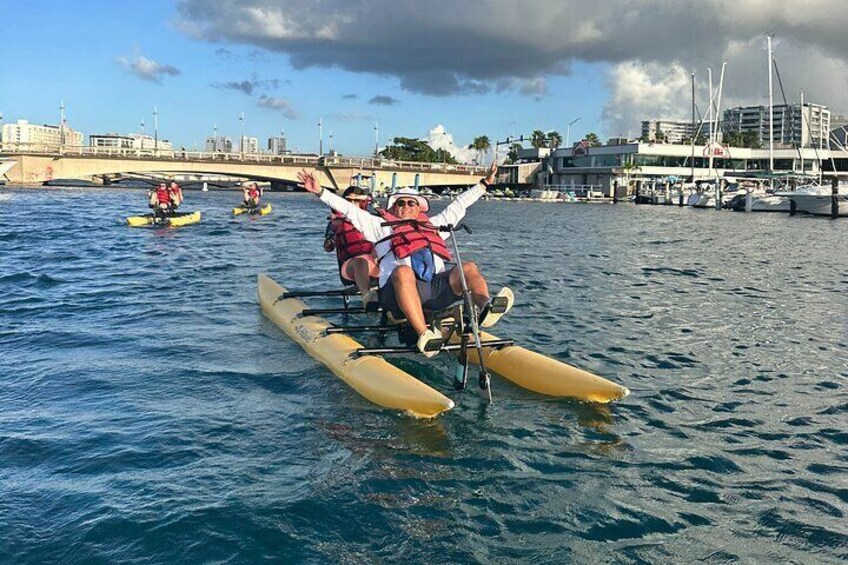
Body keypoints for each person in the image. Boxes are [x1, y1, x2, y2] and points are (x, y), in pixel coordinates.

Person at [298, 161, 513, 358]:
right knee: (403, 272)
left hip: (433, 291)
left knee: (468, 267)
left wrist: (484, 184)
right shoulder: (378, 226)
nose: (407, 206)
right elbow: (349, 210)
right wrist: (320, 191)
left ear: (419, 209)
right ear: (392, 207)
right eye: (402, 202)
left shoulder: (434, 224)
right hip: (396, 295)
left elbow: (459, 205)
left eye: (412, 203)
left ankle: (485, 308)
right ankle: (425, 335)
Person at [323, 186, 380, 308]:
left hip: (375, 264)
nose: (353, 204)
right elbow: (328, 247)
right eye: (349, 201)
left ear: (363, 203)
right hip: (350, 268)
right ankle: (367, 296)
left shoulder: (372, 220)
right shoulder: (336, 223)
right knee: (360, 262)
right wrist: (331, 239)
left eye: (356, 201)